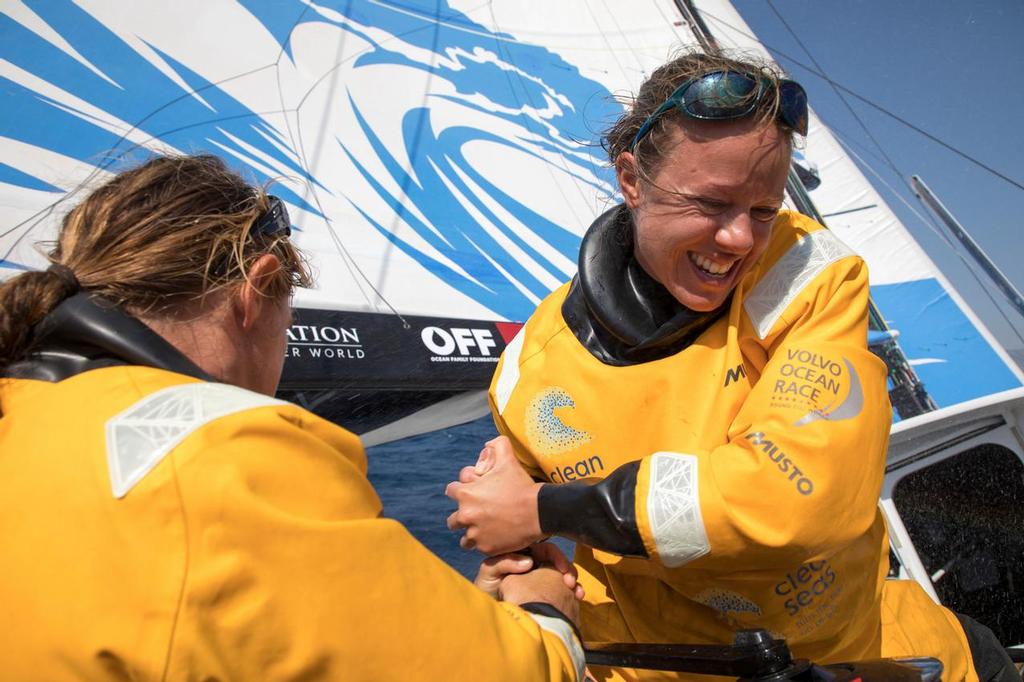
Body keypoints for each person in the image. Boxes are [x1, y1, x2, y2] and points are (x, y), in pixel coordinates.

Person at [445, 52, 1016, 682]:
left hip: (872, 653)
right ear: (631, 180)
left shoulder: (808, 275)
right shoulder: (527, 371)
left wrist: (547, 511)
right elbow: (510, 527)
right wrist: (513, 556)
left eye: (764, 211)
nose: (741, 239)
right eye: (711, 204)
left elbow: (798, 498)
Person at [0, 154, 587, 681]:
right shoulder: (224, 449)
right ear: (254, 294)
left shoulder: (23, 416)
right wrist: (542, 616)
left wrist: (457, 616)